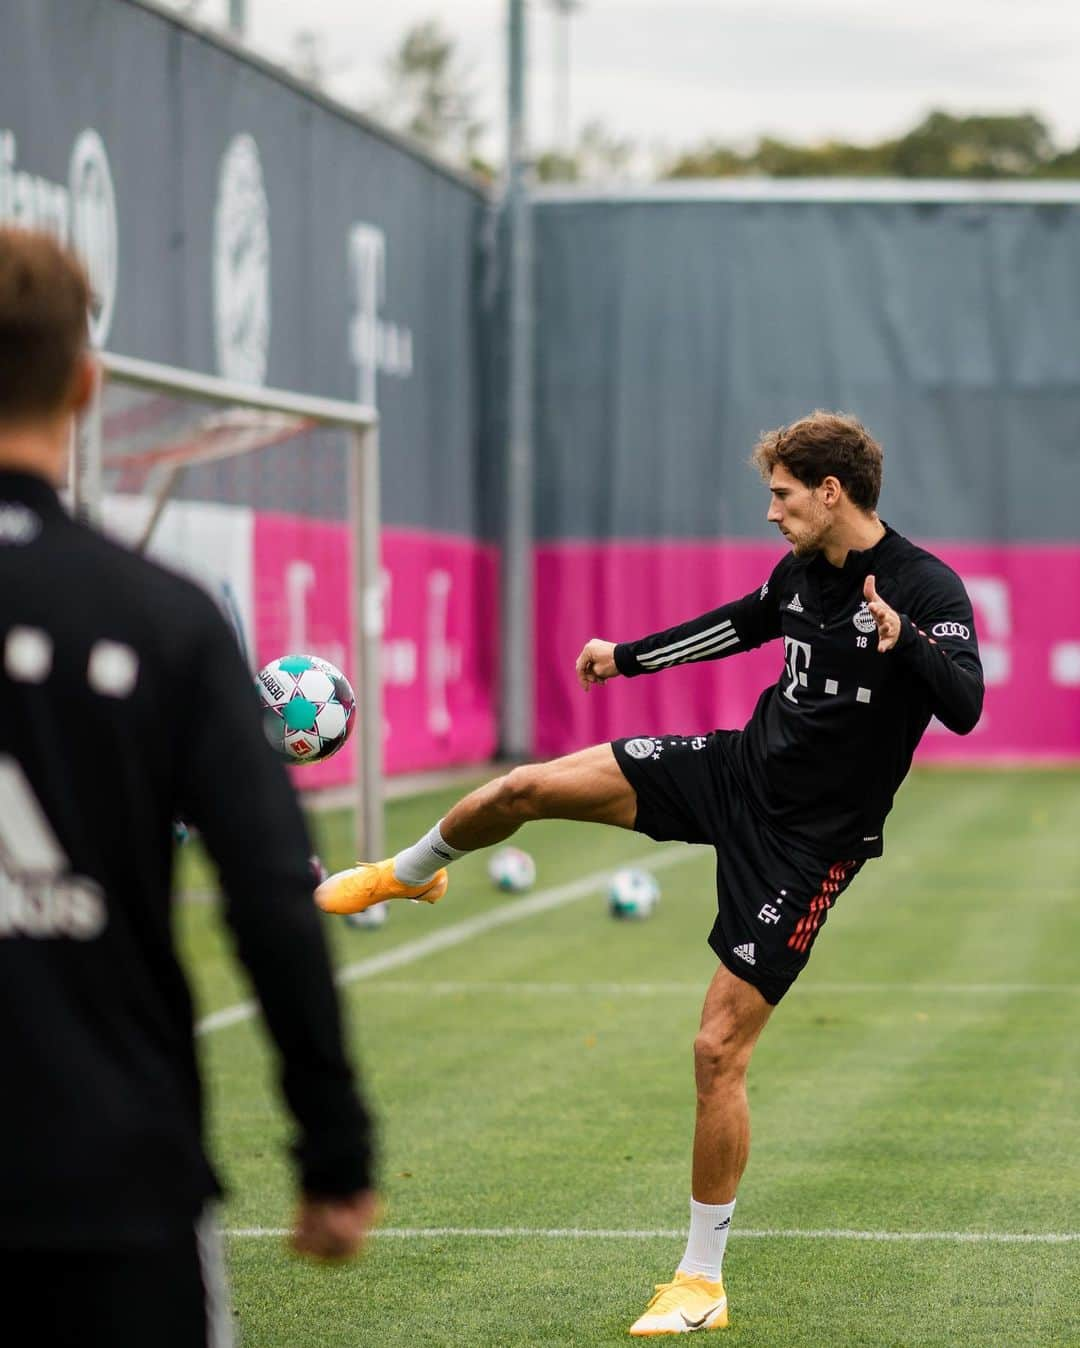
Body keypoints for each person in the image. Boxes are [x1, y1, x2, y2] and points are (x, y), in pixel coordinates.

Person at [317, 410, 983, 1334]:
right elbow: (741, 626)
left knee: (717, 1051)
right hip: (732, 772)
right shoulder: (798, 572)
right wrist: (623, 658)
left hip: (807, 847)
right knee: (524, 787)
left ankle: (701, 1282)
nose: (771, 513)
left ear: (832, 493)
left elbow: (966, 705)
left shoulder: (922, 585)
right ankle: (411, 870)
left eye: (782, 496)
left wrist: (904, 640)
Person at [0, 226, 377, 1347]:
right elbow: (272, 896)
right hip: (108, 1176)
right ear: (85, 381)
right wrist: (332, 1147)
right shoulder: (163, 617)